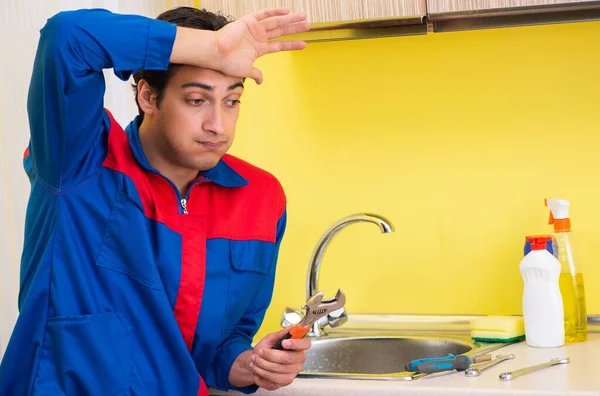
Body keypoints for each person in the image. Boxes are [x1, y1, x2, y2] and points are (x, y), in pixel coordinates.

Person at [0, 5, 311, 395]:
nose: (218, 124)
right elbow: (68, 37)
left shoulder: (260, 197)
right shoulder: (77, 162)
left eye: (231, 101)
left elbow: (216, 350)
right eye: (197, 100)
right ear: (148, 95)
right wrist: (210, 47)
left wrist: (252, 364)